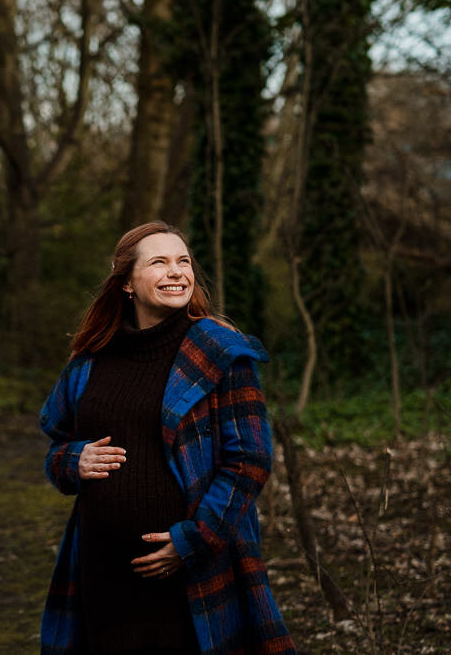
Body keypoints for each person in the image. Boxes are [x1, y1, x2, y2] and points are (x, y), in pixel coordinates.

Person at [39, 221, 295, 655]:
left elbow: (250, 460)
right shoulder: (92, 356)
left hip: (191, 574)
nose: (177, 272)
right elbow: (56, 441)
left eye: (184, 261)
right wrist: (72, 460)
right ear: (126, 283)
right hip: (101, 570)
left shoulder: (220, 351)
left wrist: (193, 540)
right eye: (159, 262)